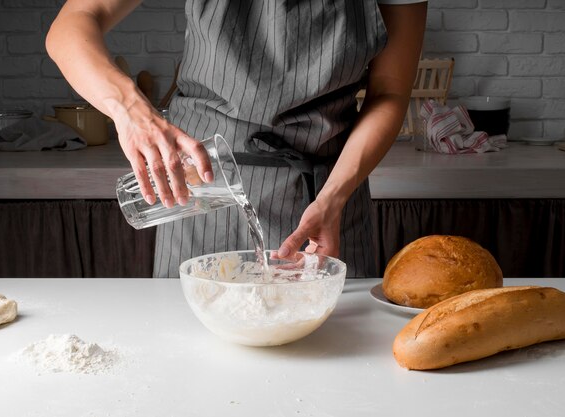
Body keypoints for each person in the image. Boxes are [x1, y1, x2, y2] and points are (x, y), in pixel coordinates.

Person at [47, 0, 427, 278]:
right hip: (199, 187)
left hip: (327, 195)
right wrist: (130, 109)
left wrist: (334, 197)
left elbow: (389, 92)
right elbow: (73, 23)